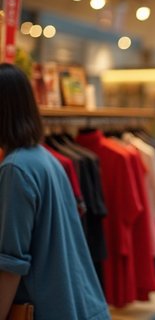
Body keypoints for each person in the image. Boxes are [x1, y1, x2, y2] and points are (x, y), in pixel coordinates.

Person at [0, 63, 110, 320]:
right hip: (80, 305)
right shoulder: (45, 159)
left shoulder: (15, 169)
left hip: (48, 309)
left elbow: (10, 263)